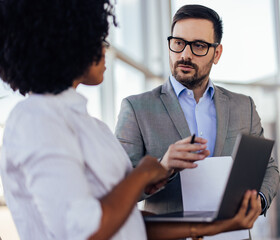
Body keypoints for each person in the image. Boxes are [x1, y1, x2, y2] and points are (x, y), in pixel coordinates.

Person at [0, 1, 261, 239]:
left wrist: (214, 227)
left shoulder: (92, 126)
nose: (105, 48)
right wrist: (144, 172)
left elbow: (126, 219)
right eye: (98, 37)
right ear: (68, 43)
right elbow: (82, 230)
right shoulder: (36, 120)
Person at [115, 4, 280, 239]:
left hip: (234, 235)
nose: (185, 54)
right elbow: (119, 188)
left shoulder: (244, 107)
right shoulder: (136, 108)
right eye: (178, 43)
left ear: (217, 53)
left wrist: (259, 200)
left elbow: (269, 168)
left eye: (199, 46)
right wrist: (163, 167)